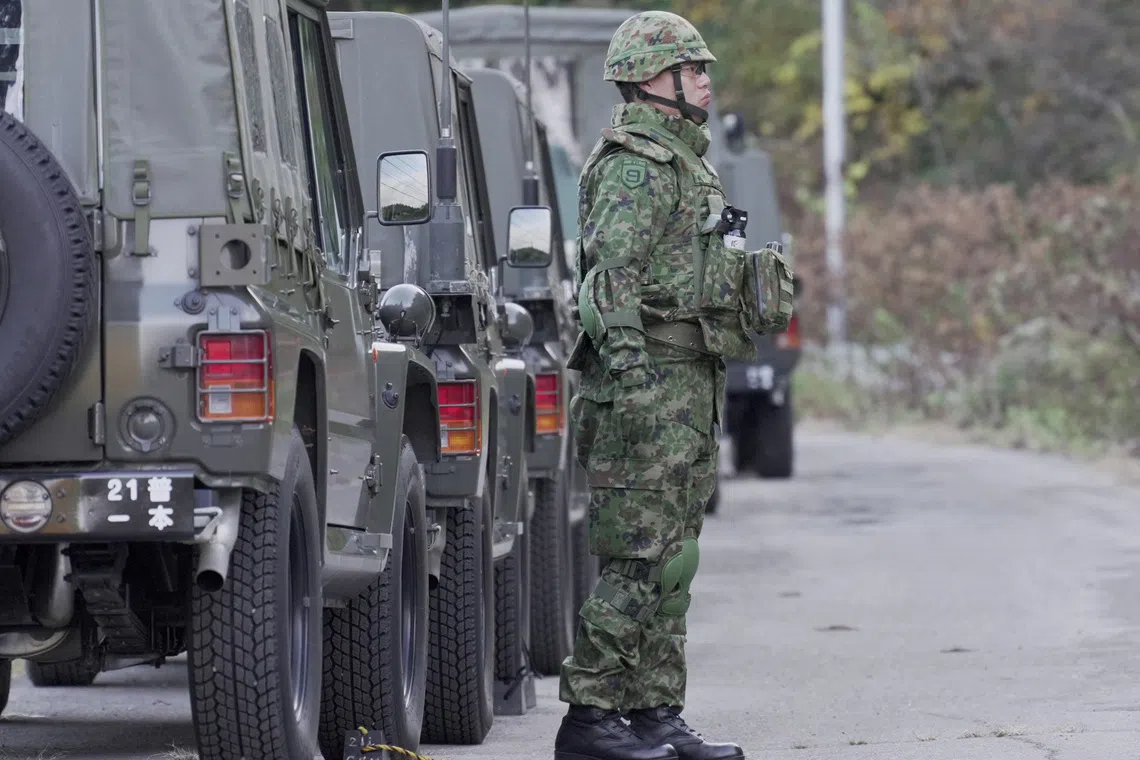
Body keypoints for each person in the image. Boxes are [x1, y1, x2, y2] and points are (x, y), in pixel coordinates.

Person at [556, 10, 755, 760]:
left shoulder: (685, 160)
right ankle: (590, 719)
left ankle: (654, 715)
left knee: (673, 563)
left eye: (703, 67)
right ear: (652, 79)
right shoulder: (635, 163)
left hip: (687, 383)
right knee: (636, 559)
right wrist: (635, 384)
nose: (706, 78)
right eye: (692, 68)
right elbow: (611, 283)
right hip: (647, 388)